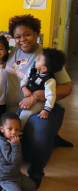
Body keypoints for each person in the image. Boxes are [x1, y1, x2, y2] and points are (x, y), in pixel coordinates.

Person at [5, 14, 72, 189]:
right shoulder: (12, 51)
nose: (22, 40)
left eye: (27, 34)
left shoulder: (46, 57)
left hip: (45, 106)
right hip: (16, 107)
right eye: (18, 37)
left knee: (40, 130)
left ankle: (35, 172)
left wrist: (38, 95)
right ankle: (52, 140)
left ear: (36, 34)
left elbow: (67, 87)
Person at [19, 48, 66, 132]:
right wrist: (24, 88)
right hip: (28, 98)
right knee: (19, 111)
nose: (36, 60)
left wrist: (46, 110)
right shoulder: (33, 70)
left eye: (39, 59)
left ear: (44, 68)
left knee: (24, 114)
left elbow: (51, 96)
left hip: (40, 102)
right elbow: (24, 79)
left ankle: (19, 132)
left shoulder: (49, 80)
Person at [0, 113, 36, 191]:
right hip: (6, 178)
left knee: (32, 186)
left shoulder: (13, 140)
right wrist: (16, 145)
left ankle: (10, 187)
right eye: (10, 129)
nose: (14, 132)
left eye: (17, 129)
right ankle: (1, 186)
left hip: (16, 174)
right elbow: (13, 161)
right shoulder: (2, 144)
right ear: (2, 129)